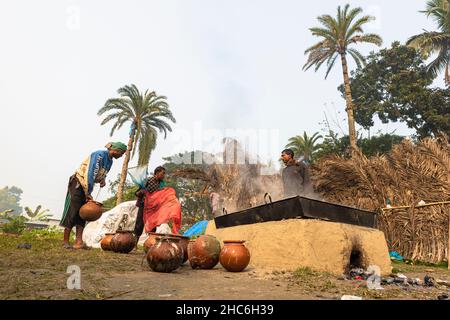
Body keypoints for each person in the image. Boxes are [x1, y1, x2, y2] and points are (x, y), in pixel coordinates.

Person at [60, 142, 127, 249]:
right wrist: (88, 193)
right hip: (78, 184)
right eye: (122, 153)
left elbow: (100, 173)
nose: (122, 155)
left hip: (87, 187)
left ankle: (78, 242)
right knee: (72, 212)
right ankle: (65, 242)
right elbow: (90, 173)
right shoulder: (99, 155)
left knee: (82, 214)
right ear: (116, 150)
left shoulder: (110, 161)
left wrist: (102, 180)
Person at [133, 166, 167, 239]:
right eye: (163, 173)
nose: (164, 175)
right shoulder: (147, 181)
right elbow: (136, 193)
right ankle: (135, 244)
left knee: (153, 225)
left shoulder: (162, 184)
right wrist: (141, 192)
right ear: (157, 173)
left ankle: (150, 243)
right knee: (139, 223)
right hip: (144, 204)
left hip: (153, 207)